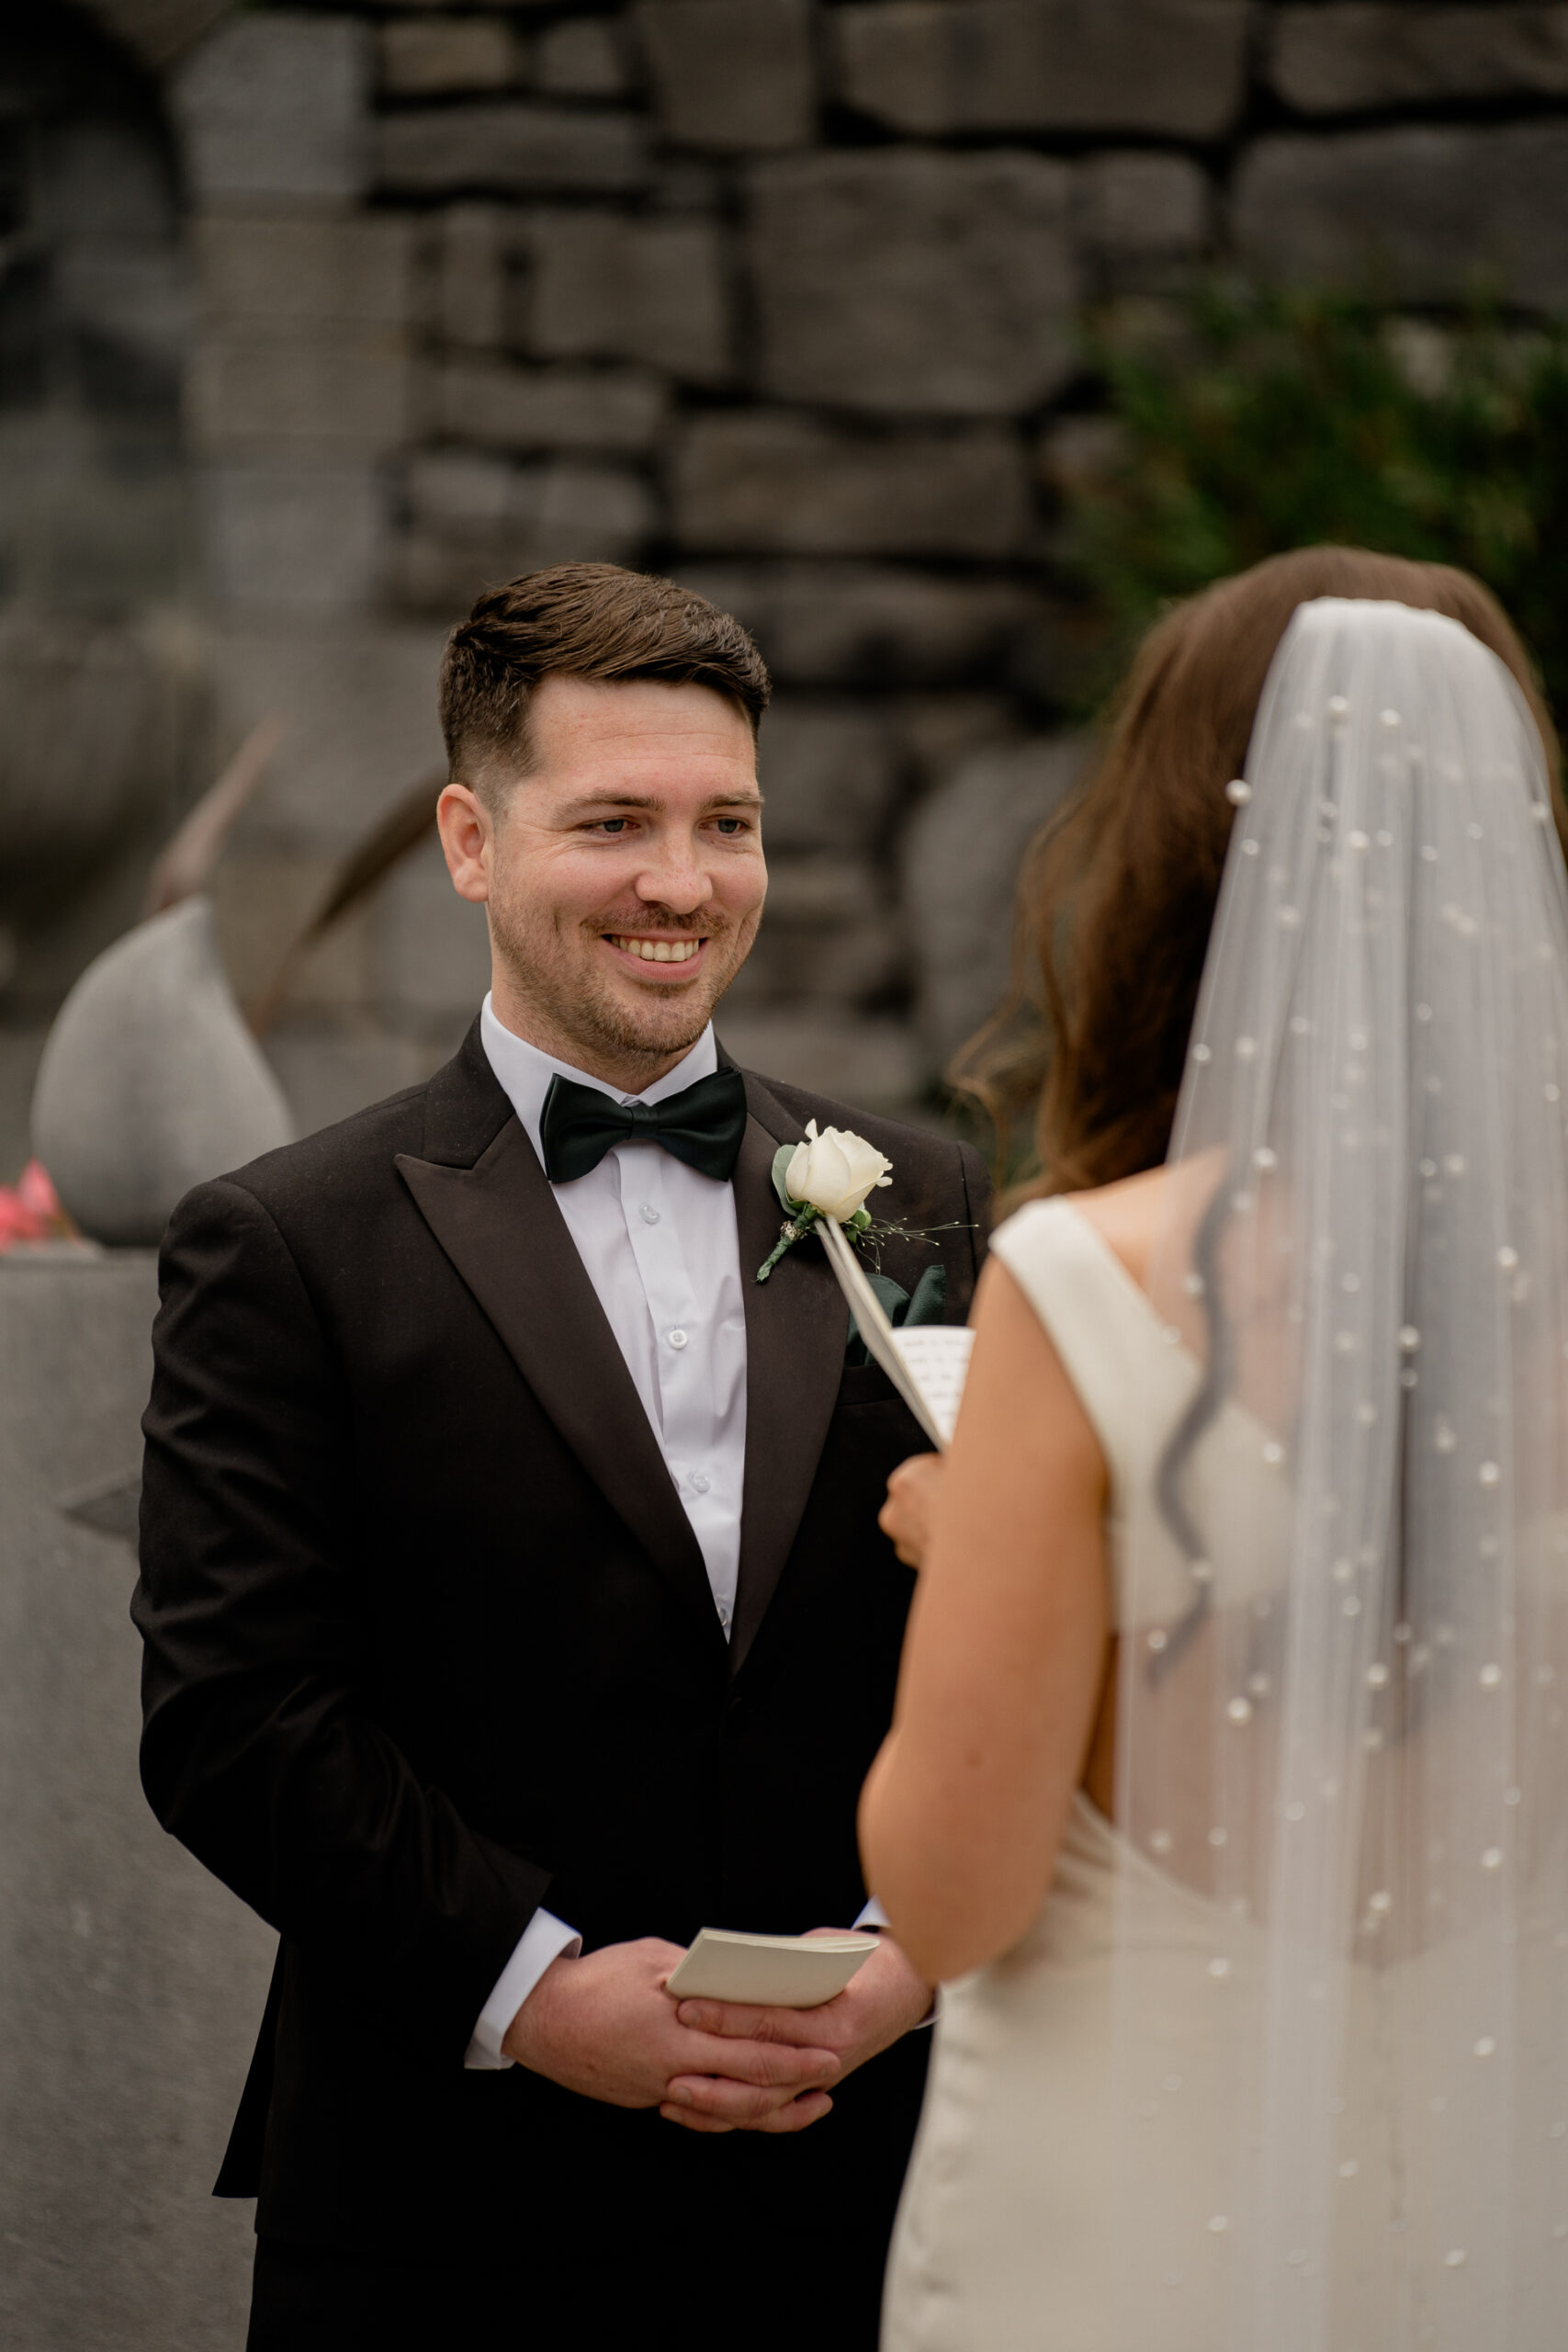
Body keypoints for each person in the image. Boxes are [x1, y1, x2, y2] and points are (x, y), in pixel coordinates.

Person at [132, 564, 988, 2348]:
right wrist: (527, 1992)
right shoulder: (284, 1240)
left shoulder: (917, 1197)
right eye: (612, 820)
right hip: (447, 2189)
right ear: (469, 837)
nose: (680, 882)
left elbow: (1000, 1629)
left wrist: (910, 1957)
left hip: (870, 2178)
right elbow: (237, 1711)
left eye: (723, 822)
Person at [860, 547, 1568, 2349]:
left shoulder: (1091, 1281)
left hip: (1113, 2242)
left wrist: (988, 1557)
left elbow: (948, 1891)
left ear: (1179, 854)